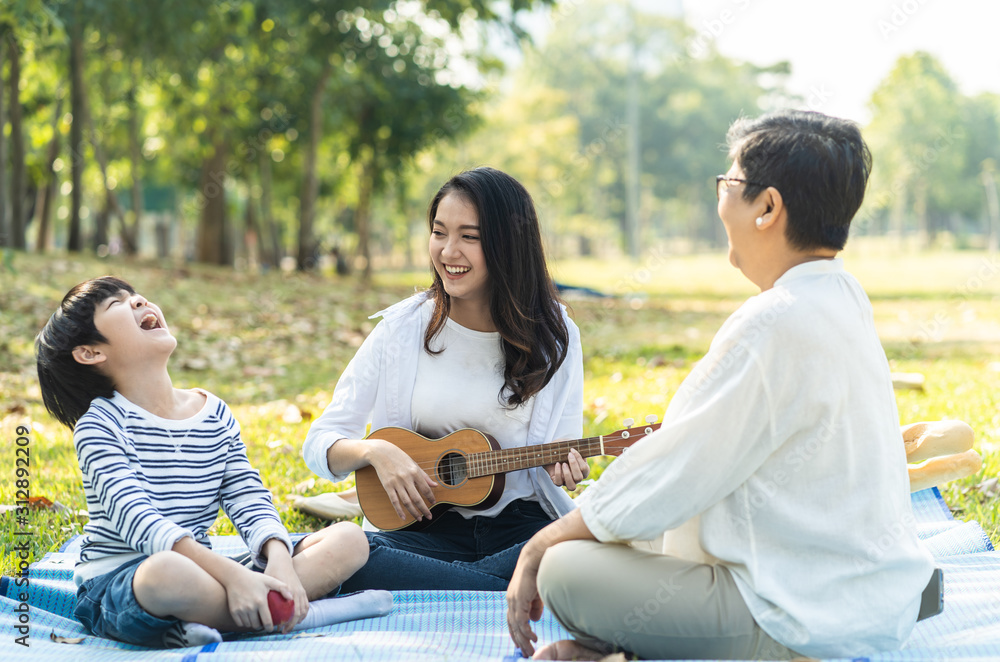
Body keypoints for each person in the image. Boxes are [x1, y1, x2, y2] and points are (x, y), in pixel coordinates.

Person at [506, 110, 936, 661]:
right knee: (614, 540)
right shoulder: (841, 295)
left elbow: (676, 468)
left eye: (728, 183)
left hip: (803, 620)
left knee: (566, 571)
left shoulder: (774, 321)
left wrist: (543, 543)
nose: (720, 200)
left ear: (767, 207)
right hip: (869, 602)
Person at [35, 277, 380, 649]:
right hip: (124, 585)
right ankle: (294, 613)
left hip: (207, 578)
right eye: (117, 304)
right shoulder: (100, 426)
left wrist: (278, 559)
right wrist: (233, 576)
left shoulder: (212, 412)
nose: (138, 301)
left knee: (350, 539)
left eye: (136, 296)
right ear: (90, 352)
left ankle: (231, 614)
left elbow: (247, 495)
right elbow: (140, 522)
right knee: (165, 573)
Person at [302, 167, 588, 591]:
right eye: (439, 233)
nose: (448, 251)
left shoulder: (555, 335)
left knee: (579, 554)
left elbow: (561, 449)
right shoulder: (402, 329)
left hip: (519, 531)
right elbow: (319, 443)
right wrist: (376, 451)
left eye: (469, 237)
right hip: (423, 531)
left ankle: (454, 582)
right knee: (356, 549)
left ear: (508, 244)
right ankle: (494, 584)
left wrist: (562, 467)